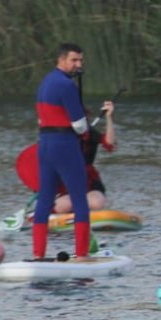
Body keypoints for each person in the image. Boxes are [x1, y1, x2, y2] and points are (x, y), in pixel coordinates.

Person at [31, 43, 93, 260]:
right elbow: (79, 126)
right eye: (74, 60)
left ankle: (38, 255)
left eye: (80, 61)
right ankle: (82, 254)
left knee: (45, 199)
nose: (78, 65)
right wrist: (85, 129)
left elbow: (40, 117)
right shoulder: (67, 86)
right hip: (65, 145)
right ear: (62, 60)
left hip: (45, 145)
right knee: (79, 199)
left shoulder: (45, 82)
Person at [53, 99, 116, 213]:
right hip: (65, 184)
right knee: (64, 206)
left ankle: (85, 211)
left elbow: (109, 143)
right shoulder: (56, 135)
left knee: (96, 203)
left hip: (89, 182)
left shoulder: (89, 133)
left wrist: (109, 117)